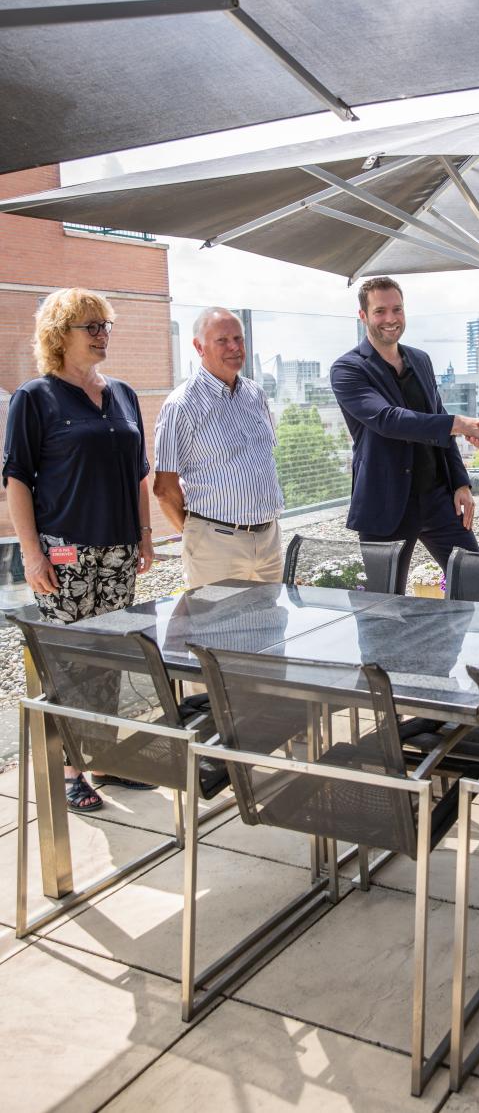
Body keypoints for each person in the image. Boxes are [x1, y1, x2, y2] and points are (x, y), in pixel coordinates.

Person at [2, 288, 154, 812]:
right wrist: (31, 552)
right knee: (70, 662)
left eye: (105, 325)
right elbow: (17, 479)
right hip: (64, 553)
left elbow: (139, 473)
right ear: (58, 335)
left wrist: (145, 533)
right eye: (90, 326)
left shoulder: (124, 394)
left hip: (118, 550)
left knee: (110, 655)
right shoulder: (35, 397)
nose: (102, 335)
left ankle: (104, 757)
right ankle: (71, 769)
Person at [330, 277, 479, 593]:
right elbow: (388, 420)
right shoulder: (347, 369)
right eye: (380, 311)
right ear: (363, 315)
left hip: (437, 498)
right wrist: (461, 424)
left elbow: (437, 419)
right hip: (385, 502)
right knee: (385, 606)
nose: (391, 319)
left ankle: (446, 644)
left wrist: (459, 482)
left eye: (397, 309)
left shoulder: (420, 359)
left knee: (475, 584)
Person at [154, 307, 285, 588]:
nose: (234, 347)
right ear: (199, 347)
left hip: (269, 540)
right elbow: (164, 489)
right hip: (215, 545)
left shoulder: (255, 394)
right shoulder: (181, 405)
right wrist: (199, 535)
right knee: (215, 629)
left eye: (238, 339)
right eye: (222, 340)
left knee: (271, 628)